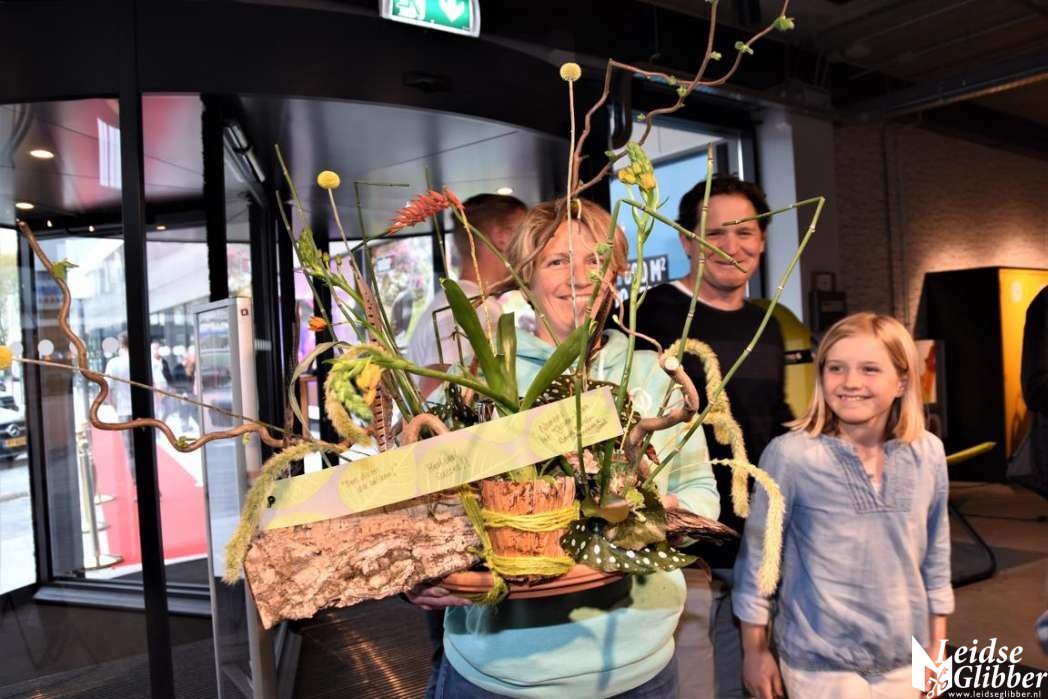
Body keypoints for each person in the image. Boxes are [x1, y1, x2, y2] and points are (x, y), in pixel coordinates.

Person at [407, 198, 720, 698]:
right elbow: (413, 500)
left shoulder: (654, 374)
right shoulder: (478, 380)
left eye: (597, 260)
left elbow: (699, 486)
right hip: (501, 673)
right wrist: (416, 575)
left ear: (616, 274)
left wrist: (667, 517)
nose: (580, 277)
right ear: (525, 279)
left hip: (636, 666)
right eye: (557, 261)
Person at [734, 312, 953, 699]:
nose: (850, 382)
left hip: (906, 657)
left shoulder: (928, 453)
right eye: (836, 368)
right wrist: (755, 650)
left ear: (901, 382)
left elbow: (935, 558)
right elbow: (758, 563)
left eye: (870, 369)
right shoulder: (791, 455)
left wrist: (937, 647)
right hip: (820, 664)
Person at [632, 176, 793, 697]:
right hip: (683, 542)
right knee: (690, 684)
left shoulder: (768, 324)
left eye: (745, 232)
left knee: (754, 676)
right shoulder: (648, 313)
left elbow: (773, 419)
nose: (731, 246)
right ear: (686, 240)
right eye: (714, 233)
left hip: (757, 540)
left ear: (762, 240)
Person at [405, 193, 527, 397]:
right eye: (527, 233)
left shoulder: (464, 302)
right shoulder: (469, 307)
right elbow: (434, 393)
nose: (533, 245)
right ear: (503, 237)